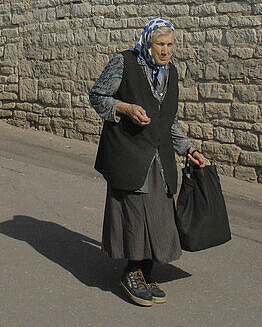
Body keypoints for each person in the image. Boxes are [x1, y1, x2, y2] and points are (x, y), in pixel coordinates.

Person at [89, 17, 208, 307]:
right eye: (160, 44)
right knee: (134, 214)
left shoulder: (171, 73)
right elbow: (97, 96)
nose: (165, 50)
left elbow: (169, 120)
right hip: (129, 153)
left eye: (170, 45)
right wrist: (125, 108)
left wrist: (188, 148)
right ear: (147, 42)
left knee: (159, 215)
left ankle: (145, 271)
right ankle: (132, 272)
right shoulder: (124, 63)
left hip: (160, 157)